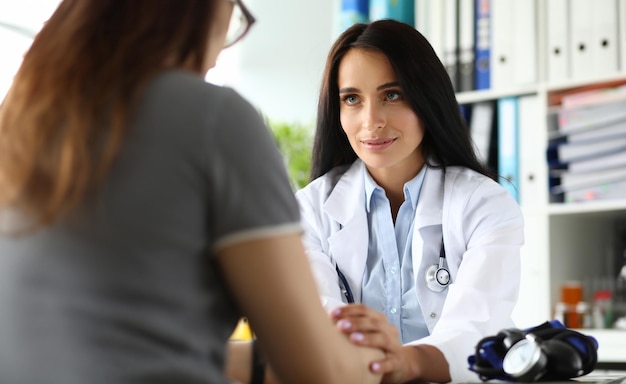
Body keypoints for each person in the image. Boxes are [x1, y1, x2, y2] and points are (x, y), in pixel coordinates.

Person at [0, 1, 384, 383]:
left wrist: (256, 363)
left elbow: (108, 340)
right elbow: (321, 373)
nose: (218, 55)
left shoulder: (20, 121)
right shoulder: (212, 120)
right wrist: (375, 359)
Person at [295, 19, 525, 383]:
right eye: (352, 99)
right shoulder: (309, 210)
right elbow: (310, 318)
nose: (372, 122)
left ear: (426, 98)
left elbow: (477, 326)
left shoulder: (485, 204)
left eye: (392, 94)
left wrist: (406, 363)